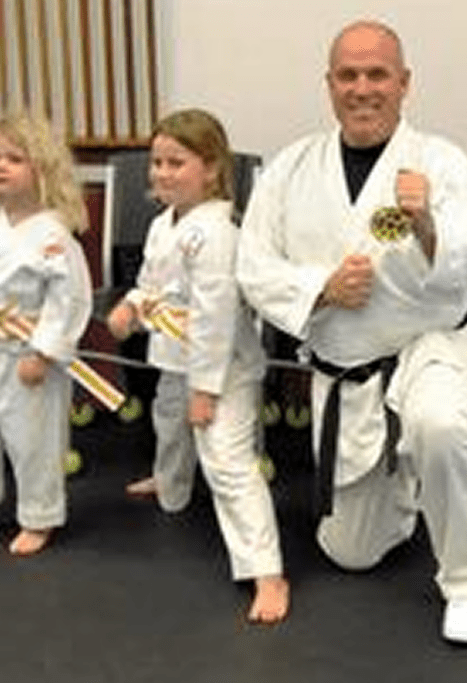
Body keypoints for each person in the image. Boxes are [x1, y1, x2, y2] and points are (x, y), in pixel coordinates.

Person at [236, 20, 467, 644]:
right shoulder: (290, 169)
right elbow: (254, 267)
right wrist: (321, 289)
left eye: (377, 74)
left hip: (428, 348)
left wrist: (428, 226)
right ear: (329, 85)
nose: (363, 88)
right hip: (350, 371)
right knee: (351, 553)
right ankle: (405, 479)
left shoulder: (441, 161)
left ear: (404, 83)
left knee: (440, 426)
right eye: (348, 75)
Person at [106, 109, 289, 623]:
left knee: (228, 463)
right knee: (167, 421)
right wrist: (131, 308)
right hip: (173, 355)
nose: (161, 173)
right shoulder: (164, 223)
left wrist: (205, 390)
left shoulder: (217, 233)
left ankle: (267, 571)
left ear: (210, 169)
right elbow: (151, 285)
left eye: (175, 163)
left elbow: (214, 318)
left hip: (221, 367)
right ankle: (170, 482)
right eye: (156, 162)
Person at [0, 111, 92, 556]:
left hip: (29, 351)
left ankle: (38, 515)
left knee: (32, 439)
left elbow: (69, 301)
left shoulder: (54, 236)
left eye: (15, 159)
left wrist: (43, 353)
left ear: (41, 168)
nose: (1, 167)